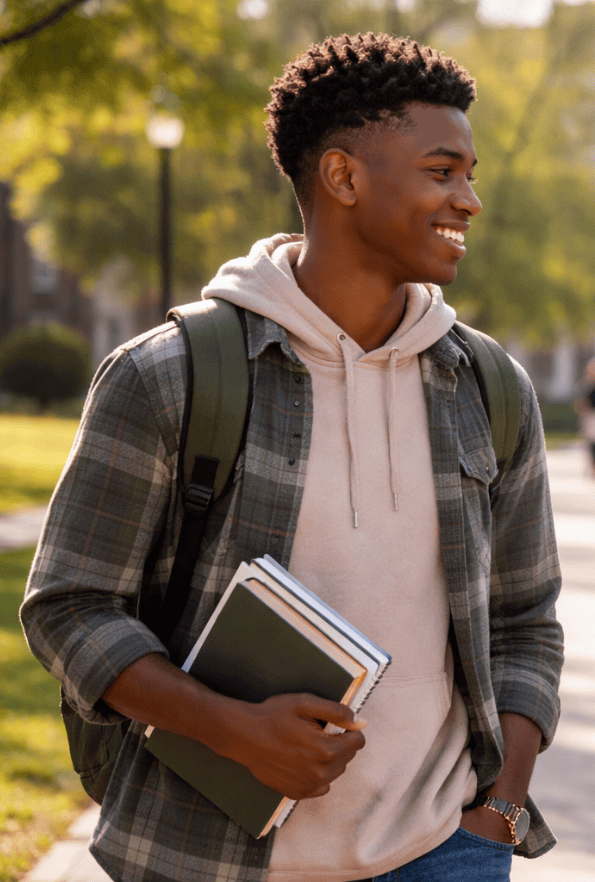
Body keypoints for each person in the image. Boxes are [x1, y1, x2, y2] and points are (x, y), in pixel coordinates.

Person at [21, 33, 562, 882]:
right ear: (343, 178)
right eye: (442, 170)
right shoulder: (166, 377)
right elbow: (70, 606)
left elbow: (528, 621)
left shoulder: (489, 387)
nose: (470, 200)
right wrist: (227, 728)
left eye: (470, 173)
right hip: (203, 855)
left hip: (441, 853)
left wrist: (498, 812)